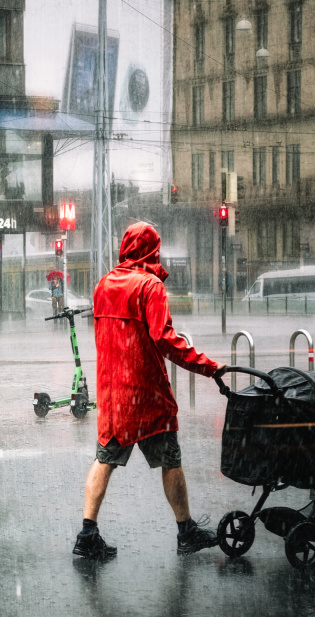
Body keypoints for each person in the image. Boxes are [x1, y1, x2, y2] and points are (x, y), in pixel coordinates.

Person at [74, 222, 226, 560]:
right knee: (170, 461)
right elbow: (165, 339)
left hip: (113, 396)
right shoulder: (150, 286)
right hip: (146, 396)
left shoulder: (103, 285)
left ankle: (88, 532)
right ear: (152, 251)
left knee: (104, 459)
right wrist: (209, 367)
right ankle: (186, 531)